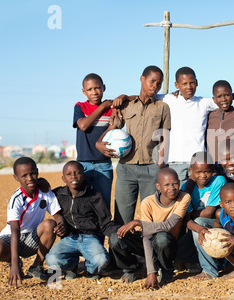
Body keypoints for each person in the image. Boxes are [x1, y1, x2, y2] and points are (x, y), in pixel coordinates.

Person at [112, 66, 234, 185]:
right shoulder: (168, 99)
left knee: (199, 200)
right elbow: (145, 96)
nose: (189, 87)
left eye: (192, 83)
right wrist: (123, 97)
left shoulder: (204, 103)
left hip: (200, 162)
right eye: (184, 84)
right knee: (180, 201)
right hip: (175, 162)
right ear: (177, 85)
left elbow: (224, 102)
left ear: (197, 83)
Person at [96, 65, 171, 225]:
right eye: (152, 81)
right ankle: (120, 251)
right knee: (122, 218)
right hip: (126, 169)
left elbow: (165, 136)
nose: (155, 86)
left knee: (150, 218)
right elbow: (112, 127)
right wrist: (99, 142)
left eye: (159, 83)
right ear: (142, 79)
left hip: (152, 169)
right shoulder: (126, 105)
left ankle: (147, 250)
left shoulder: (163, 107)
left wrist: (161, 165)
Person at [111, 168, 191, 289]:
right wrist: (151, 272)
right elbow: (147, 236)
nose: (172, 188)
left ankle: (166, 271)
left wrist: (139, 223)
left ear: (179, 183)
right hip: (149, 242)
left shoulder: (184, 197)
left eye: (175, 183)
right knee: (115, 238)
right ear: (158, 186)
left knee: (162, 237)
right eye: (167, 185)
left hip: (168, 244)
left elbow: (168, 226)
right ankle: (130, 269)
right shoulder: (148, 202)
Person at [0, 157, 62, 288]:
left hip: (32, 237)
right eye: (24, 175)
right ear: (16, 177)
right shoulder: (16, 199)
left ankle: (36, 266)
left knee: (50, 224)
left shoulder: (45, 192)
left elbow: (57, 214)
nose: (30, 178)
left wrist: (60, 224)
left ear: (37, 172)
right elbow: (15, 231)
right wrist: (15, 262)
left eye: (32, 173)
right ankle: (13, 260)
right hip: (12, 237)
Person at [45, 161, 121, 280]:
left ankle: (90, 269)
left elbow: (105, 223)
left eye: (77, 173)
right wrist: (41, 183)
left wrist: (121, 230)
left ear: (84, 176)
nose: (73, 177)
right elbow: (43, 195)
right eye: (68, 174)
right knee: (51, 259)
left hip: (90, 238)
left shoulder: (95, 196)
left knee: (101, 260)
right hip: (69, 239)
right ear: (63, 178)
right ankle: (71, 266)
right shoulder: (58, 194)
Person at [175, 151, 227, 271]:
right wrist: (189, 219)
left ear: (212, 169)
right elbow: (185, 220)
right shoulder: (185, 188)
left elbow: (209, 213)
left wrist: (189, 215)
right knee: (178, 250)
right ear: (191, 171)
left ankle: (209, 269)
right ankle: (195, 261)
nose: (203, 175)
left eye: (207, 171)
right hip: (199, 225)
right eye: (198, 172)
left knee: (198, 221)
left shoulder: (218, 181)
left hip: (218, 222)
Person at [73, 73, 114, 208]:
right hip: (83, 165)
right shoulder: (80, 107)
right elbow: (83, 125)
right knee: (83, 204)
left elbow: (113, 128)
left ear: (104, 88)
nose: (94, 92)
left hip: (104, 164)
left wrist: (121, 98)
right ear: (84, 92)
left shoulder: (111, 110)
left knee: (103, 204)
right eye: (89, 89)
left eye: (97, 88)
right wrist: (102, 107)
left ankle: (103, 230)